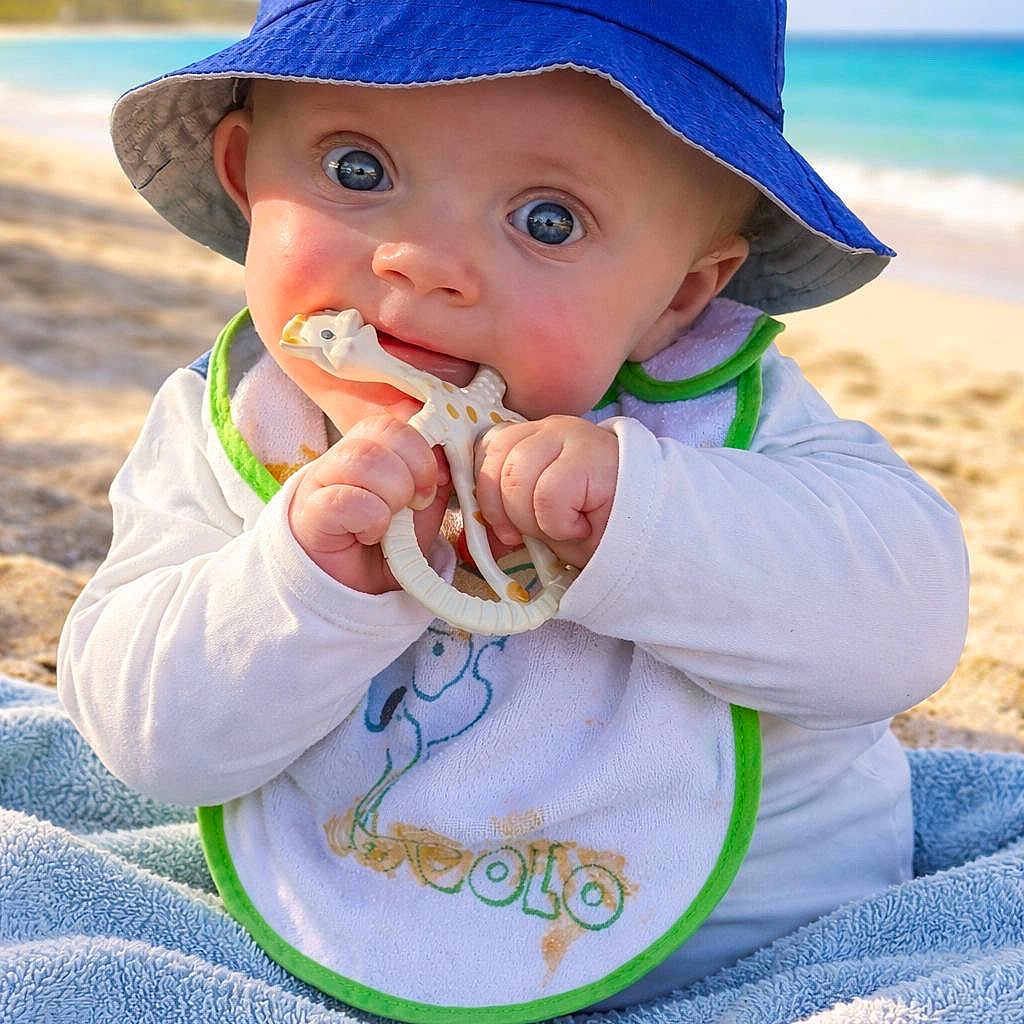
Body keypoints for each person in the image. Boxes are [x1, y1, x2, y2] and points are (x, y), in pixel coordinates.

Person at [57, 1, 970, 1019]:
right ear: (244, 173)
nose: (422, 261)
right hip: (341, 932)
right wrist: (302, 582)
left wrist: (644, 521)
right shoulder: (235, 425)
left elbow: (905, 629)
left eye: (547, 220)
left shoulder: (722, 426)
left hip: (757, 956)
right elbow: (149, 741)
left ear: (681, 297)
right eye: (357, 169)